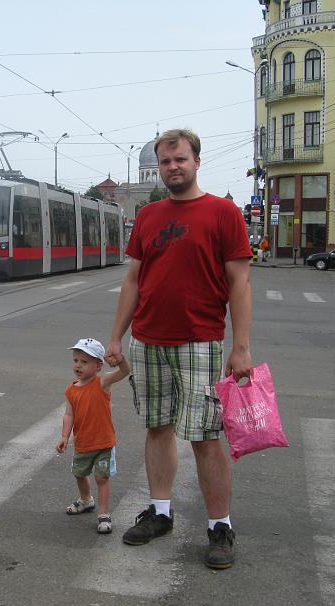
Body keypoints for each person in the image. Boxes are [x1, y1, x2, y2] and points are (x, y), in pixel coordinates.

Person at [105, 128, 253, 570]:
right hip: (148, 339)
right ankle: (161, 512)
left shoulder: (224, 212)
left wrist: (240, 347)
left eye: (180, 160)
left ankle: (219, 526)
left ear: (196, 161)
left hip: (201, 341)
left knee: (205, 438)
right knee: (157, 428)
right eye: (165, 161)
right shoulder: (149, 216)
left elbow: (240, 283)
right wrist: (116, 336)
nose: (172, 167)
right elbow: (133, 280)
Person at [57, 338, 130, 534]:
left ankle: (104, 514)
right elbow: (69, 414)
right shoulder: (71, 390)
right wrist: (64, 436)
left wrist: (121, 360)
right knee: (79, 474)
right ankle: (86, 500)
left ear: (98, 366)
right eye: (76, 360)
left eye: (84, 362)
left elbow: (124, 372)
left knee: (101, 478)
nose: (78, 365)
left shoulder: (102, 382)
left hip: (104, 442)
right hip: (82, 442)